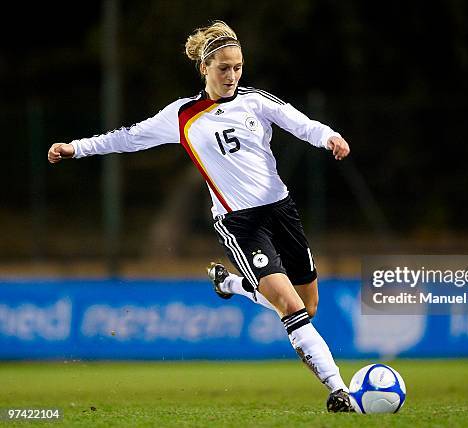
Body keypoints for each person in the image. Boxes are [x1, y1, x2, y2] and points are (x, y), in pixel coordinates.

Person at [47, 20, 353, 412]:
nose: (231, 75)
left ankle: (233, 287)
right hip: (240, 224)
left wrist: (329, 136)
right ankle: (338, 390)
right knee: (291, 310)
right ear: (204, 68)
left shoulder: (256, 101)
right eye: (223, 67)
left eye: (238, 67)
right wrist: (76, 147)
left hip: (282, 211)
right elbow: (126, 137)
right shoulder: (183, 115)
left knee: (309, 306)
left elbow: (301, 122)